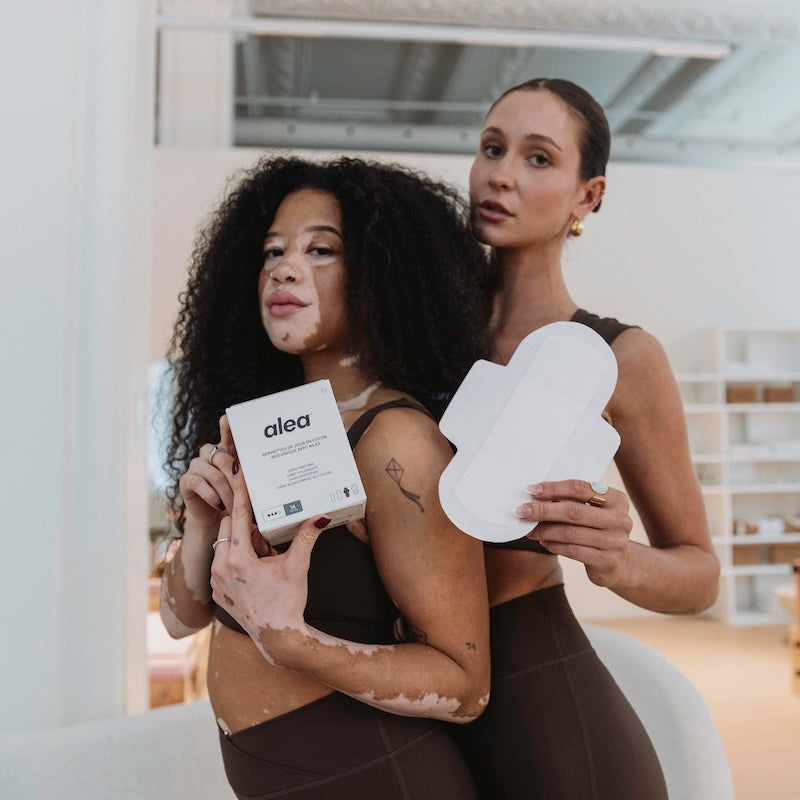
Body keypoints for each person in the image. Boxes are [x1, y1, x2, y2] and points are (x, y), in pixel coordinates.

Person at [158, 156, 494, 799]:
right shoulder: (260, 428)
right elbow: (180, 621)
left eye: (321, 250)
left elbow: (466, 686)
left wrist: (296, 643)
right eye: (272, 251)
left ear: (382, 275)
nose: (284, 269)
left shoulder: (398, 443)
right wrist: (200, 524)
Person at [448, 78, 721, 798]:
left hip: (548, 719)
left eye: (538, 158)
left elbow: (699, 575)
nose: (501, 174)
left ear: (587, 196)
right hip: (411, 705)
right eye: (492, 148)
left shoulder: (620, 358)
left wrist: (615, 558)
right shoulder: (411, 334)